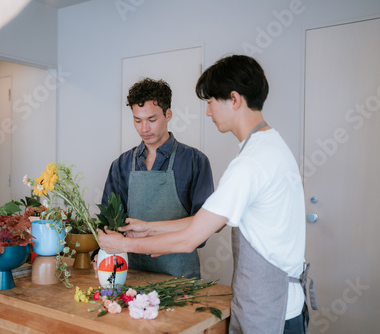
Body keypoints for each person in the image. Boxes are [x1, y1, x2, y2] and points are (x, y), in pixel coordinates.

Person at [98, 55, 315, 334]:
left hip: (270, 310)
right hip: (278, 304)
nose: (209, 112)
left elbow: (192, 238)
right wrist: (147, 227)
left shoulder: (250, 163)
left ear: (234, 99)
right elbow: (204, 219)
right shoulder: (270, 147)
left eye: (211, 102)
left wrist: (123, 245)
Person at [98, 78, 214, 279]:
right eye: (137, 120)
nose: (144, 128)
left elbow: (204, 227)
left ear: (168, 114)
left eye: (152, 120)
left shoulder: (195, 161)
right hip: (131, 274)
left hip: (179, 277)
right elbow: (109, 223)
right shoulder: (121, 165)